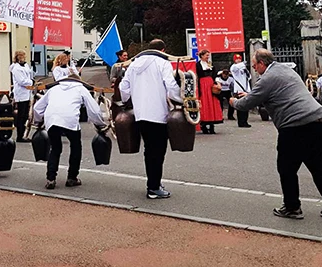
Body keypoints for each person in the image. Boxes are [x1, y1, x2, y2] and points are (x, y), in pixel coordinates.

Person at [231, 49, 322, 221]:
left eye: (255, 65)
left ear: (262, 63)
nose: (254, 69)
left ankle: (292, 207)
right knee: (318, 166)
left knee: (287, 168)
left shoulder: (266, 79)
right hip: (318, 119)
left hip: (295, 126)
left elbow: (246, 104)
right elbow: (277, 93)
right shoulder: (286, 70)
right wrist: (252, 95)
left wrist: (234, 102)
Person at [119, 38, 182, 199]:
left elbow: (123, 87)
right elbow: (171, 86)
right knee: (158, 151)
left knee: (149, 150)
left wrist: (129, 100)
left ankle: (153, 182)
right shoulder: (162, 63)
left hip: (140, 114)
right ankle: (153, 187)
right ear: (163, 50)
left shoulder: (133, 65)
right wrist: (182, 101)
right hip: (158, 113)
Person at [33, 76, 105, 189]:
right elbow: (94, 110)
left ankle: (51, 178)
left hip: (52, 119)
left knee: (55, 148)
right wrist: (100, 124)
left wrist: (38, 121)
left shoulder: (54, 89)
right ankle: (72, 177)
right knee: (76, 147)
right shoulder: (81, 89)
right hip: (70, 119)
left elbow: (37, 108)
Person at [10, 51, 34, 143]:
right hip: (21, 93)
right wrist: (31, 82)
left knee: (25, 115)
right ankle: (20, 136)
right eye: (22, 56)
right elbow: (21, 81)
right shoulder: (16, 68)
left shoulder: (25, 65)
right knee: (21, 115)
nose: (23, 58)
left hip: (27, 93)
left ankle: (24, 134)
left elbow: (28, 75)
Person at [196, 50, 222, 134]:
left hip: (210, 84)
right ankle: (203, 125)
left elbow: (215, 75)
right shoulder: (198, 65)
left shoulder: (210, 64)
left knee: (213, 103)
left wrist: (218, 84)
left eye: (208, 55)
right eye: (206, 55)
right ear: (202, 56)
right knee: (204, 103)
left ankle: (211, 126)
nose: (208, 57)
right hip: (203, 85)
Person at [229, 55, 252, 128]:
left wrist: (245, 69)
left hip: (246, 89)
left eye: (239, 59)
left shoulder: (243, 68)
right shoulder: (234, 67)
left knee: (246, 105)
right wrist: (243, 63)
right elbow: (237, 67)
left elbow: (249, 77)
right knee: (240, 105)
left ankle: (245, 121)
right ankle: (241, 122)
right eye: (237, 59)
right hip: (239, 89)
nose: (238, 60)